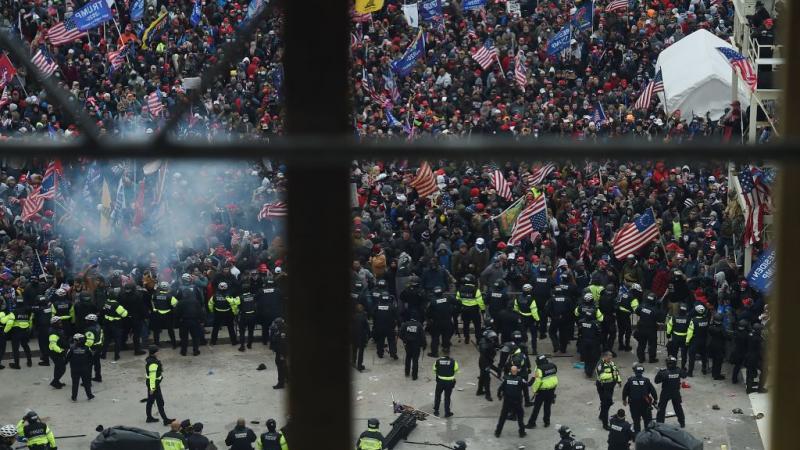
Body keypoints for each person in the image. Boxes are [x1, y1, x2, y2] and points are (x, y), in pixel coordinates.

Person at [175, 274, 205, 356]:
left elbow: (177, 312)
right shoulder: (196, 300)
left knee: (184, 338)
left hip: (184, 321)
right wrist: (202, 320)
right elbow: (200, 310)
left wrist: (177, 321)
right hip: (195, 321)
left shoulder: (180, 301)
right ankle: (195, 351)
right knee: (195, 337)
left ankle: (183, 351)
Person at [621, 364, 657, 433]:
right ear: (642, 371)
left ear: (634, 371)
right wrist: (655, 400)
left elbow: (625, 390)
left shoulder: (630, 380)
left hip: (634, 404)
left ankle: (637, 437)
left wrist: (624, 399)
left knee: (636, 422)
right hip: (645, 404)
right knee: (647, 421)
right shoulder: (646, 381)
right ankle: (647, 436)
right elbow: (653, 391)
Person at [495, 365, 528, 438]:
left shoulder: (506, 379)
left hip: (507, 401)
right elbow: (527, 386)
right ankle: (522, 433)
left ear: (510, 371)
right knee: (520, 417)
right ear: (516, 371)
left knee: (502, 417)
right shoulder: (520, 379)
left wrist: (499, 396)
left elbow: (500, 389)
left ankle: (498, 432)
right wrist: (534, 378)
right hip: (517, 402)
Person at [527, 354, 558, 428]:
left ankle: (532, 423)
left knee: (536, 408)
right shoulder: (553, 365)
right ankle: (547, 422)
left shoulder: (539, 369)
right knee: (547, 407)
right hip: (552, 389)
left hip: (542, 391)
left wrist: (535, 391)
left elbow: (537, 382)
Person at [655, 356, 687, 428]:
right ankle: (682, 423)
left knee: (661, 408)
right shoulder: (678, 370)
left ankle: (659, 424)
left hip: (666, 392)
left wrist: (660, 373)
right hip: (675, 392)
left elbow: (656, 381)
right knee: (678, 407)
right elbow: (685, 375)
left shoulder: (663, 372)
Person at [145, 346, 174, 425]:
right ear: (155, 353)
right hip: (154, 386)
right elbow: (152, 377)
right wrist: (152, 388)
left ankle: (149, 417)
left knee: (150, 401)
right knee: (160, 402)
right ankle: (165, 420)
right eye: (158, 351)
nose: (159, 353)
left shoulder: (151, 360)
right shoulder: (153, 364)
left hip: (153, 385)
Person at [426, 286, 455, 357]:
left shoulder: (432, 301)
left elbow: (428, 313)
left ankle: (434, 353)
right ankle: (446, 348)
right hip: (447, 321)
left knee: (435, 337)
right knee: (446, 336)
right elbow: (457, 303)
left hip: (436, 322)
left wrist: (429, 319)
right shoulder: (448, 298)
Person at [100, 288, 128, 361]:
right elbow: (124, 314)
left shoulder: (106, 303)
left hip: (106, 323)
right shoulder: (117, 305)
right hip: (116, 324)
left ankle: (103, 354)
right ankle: (116, 356)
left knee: (106, 340)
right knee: (117, 340)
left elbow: (103, 310)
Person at [595, 351, 621, 430]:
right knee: (606, 404)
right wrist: (613, 375)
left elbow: (616, 372)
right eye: (609, 358)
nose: (610, 359)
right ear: (605, 357)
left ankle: (601, 415)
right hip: (603, 386)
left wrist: (619, 380)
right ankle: (605, 424)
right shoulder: (600, 364)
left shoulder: (611, 363)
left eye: (611, 358)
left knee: (606, 403)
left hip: (610, 386)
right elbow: (602, 376)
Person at [208, 282, 240, 346]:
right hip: (228, 313)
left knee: (216, 328)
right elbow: (233, 304)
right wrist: (235, 312)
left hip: (218, 313)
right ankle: (234, 342)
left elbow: (210, 304)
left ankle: (213, 342)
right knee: (230, 328)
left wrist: (212, 311)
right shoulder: (229, 295)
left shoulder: (214, 295)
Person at [65, 333, 95, 402]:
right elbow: (91, 356)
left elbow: (67, 358)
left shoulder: (71, 348)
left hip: (74, 369)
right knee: (86, 383)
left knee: (75, 383)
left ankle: (74, 397)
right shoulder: (87, 348)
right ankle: (89, 395)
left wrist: (65, 363)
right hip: (85, 369)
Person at [456, 274, 484, 344]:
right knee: (477, 326)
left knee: (466, 325)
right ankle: (478, 339)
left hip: (464, 310)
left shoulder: (460, 289)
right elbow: (480, 301)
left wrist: (460, 308)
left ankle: (466, 338)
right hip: (474, 310)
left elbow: (457, 300)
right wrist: (483, 309)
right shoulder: (476, 290)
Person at [6, 298, 33, 369]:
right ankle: (29, 361)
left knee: (15, 348)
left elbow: (9, 323)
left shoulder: (14, 312)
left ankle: (17, 365)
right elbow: (30, 321)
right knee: (25, 346)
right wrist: (29, 329)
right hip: (25, 331)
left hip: (16, 332)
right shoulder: (28, 311)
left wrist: (5, 331)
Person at [513, 283, 540, 353]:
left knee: (522, 334)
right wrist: (537, 320)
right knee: (534, 335)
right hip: (531, 319)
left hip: (522, 318)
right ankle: (534, 350)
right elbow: (534, 311)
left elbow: (515, 308)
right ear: (529, 290)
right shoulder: (531, 299)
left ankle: (523, 349)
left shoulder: (518, 298)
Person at [372, 290, 399, 359]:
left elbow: (373, 316)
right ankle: (393, 353)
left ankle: (380, 353)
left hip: (379, 327)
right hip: (390, 327)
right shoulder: (392, 307)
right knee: (391, 340)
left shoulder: (377, 306)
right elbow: (397, 316)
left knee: (380, 340)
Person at [666, 304, 694, 370]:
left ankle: (674, 366)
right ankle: (683, 367)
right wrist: (688, 340)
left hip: (675, 338)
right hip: (684, 338)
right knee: (684, 354)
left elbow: (669, 326)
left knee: (674, 352)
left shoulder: (674, 317)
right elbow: (690, 330)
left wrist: (668, 334)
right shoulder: (689, 319)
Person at [433, 347, 459, 417]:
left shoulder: (438, 361)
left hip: (440, 382)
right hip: (449, 382)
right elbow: (456, 370)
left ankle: (436, 411)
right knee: (447, 397)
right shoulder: (454, 362)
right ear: (449, 353)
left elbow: (434, 369)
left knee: (438, 396)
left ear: (442, 353)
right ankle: (447, 412)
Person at [635, 293, 660, 364]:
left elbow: (637, 311)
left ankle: (641, 359)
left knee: (641, 344)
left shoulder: (642, 306)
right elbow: (660, 318)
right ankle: (652, 359)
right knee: (652, 345)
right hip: (651, 329)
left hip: (641, 328)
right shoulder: (655, 309)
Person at [151, 281, 178, 349]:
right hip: (168, 315)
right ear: (167, 288)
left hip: (157, 315)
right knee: (170, 330)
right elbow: (176, 305)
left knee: (156, 330)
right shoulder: (170, 296)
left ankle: (156, 344)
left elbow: (152, 303)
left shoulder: (155, 295)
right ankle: (174, 344)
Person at [547, 284, 573, 354]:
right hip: (565, 319)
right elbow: (571, 310)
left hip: (555, 319)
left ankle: (556, 346)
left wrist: (552, 317)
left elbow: (547, 310)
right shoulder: (567, 299)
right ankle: (563, 349)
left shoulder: (551, 300)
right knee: (564, 334)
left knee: (552, 332)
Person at [399, 313, 426, 380]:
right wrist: (424, 345)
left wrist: (404, 340)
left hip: (408, 344)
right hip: (416, 345)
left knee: (408, 358)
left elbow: (400, 334)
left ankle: (407, 373)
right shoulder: (419, 325)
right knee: (415, 360)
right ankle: (414, 376)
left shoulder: (406, 324)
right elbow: (423, 337)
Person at [577, 310, 602, 378]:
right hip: (593, 342)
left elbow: (580, 331)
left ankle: (587, 370)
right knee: (594, 357)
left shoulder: (581, 322)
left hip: (584, 341)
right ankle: (589, 371)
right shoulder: (596, 323)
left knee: (586, 357)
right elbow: (599, 333)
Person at [476, 329, 499, 401]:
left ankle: (479, 391)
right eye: (491, 338)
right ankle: (487, 395)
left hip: (487, 361)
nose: (493, 339)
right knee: (487, 378)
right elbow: (485, 350)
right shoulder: (484, 344)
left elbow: (495, 346)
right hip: (484, 362)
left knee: (482, 376)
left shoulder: (489, 342)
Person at [687, 304, 709, 377]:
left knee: (692, 356)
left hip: (695, 341)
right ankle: (704, 369)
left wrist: (687, 341)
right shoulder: (706, 319)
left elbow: (690, 332)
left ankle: (690, 372)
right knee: (704, 356)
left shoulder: (693, 321)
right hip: (703, 340)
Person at [616, 286, 639, 352]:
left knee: (621, 330)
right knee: (628, 330)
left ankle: (620, 345)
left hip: (618, 314)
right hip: (625, 315)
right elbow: (637, 310)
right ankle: (627, 346)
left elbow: (616, 302)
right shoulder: (633, 298)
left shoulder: (622, 294)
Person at [745, 322, 766, 393]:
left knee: (749, 372)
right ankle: (760, 388)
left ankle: (749, 388)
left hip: (748, 356)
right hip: (755, 358)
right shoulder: (758, 339)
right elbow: (761, 350)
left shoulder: (749, 334)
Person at [47, 316, 67, 389]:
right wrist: (61, 351)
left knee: (58, 367)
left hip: (58, 352)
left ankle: (56, 381)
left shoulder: (58, 329)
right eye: (58, 322)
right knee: (62, 368)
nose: (60, 323)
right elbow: (53, 345)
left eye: (60, 321)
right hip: (55, 353)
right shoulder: (53, 333)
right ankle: (55, 382)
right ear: (54, 323)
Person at [707, 314, 728, 380]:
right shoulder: (721, 328)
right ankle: (717, 375)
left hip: (712, 345)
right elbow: (726, 336)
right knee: (718, 362)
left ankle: (714, 373)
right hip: (719, 346)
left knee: (714, 360)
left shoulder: (711, 327)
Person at [270, 317, 289, 389]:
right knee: (283, 365)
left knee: (280, 367)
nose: (274, 325)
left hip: (282, 352)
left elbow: (283, 344)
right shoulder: (280, 329)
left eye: (276, 323)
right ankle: (288, 378)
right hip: (280, 351)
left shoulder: (283, 332)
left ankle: (281, 383)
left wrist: (281, 355)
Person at [237, 285, 258, 351]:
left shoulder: (240, 297)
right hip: (252, 315)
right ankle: (249, 344)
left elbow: (238, 307)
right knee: (251, 331)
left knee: (242, 332)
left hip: (244, 316)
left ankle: (242, 346)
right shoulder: (253, 296)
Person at [84, 314, 104, 382]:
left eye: (87, 320)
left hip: (92, 349)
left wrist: (84, 348)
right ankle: (98, 377)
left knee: (88, 365)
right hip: (99, 347)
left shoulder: (89, 330)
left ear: (91, 321)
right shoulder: (98, 326)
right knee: (97, 363)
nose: (86, 321)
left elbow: (89, 342)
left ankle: (87, 381)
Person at [352, 304, 370, 371]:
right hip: (361, 337)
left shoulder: (352, 317)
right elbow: (367, 328)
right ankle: (359, 365)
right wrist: (369, 335)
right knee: (361, 351)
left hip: (353, 336)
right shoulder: (363, 317)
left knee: (354, 349)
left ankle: (353, 361)